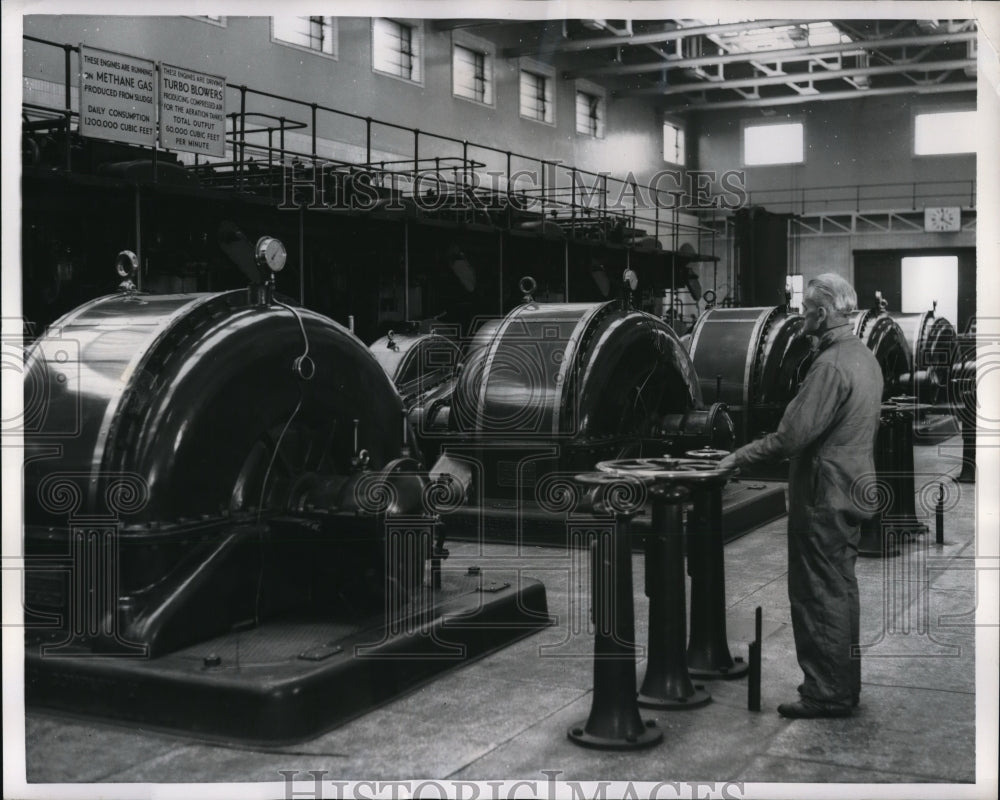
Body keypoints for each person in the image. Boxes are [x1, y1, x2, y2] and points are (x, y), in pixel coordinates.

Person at [718, 273, 883, 719]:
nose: (800, 317)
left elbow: (791, 436)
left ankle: (826, 694)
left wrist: (737, 458)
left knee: (816, 595)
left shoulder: (829, 366)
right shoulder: (863, 356)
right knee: (840, 591)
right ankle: (841, 686)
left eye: (805, 310)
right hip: (853, 488)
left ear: (823, 313)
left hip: (822, 495)